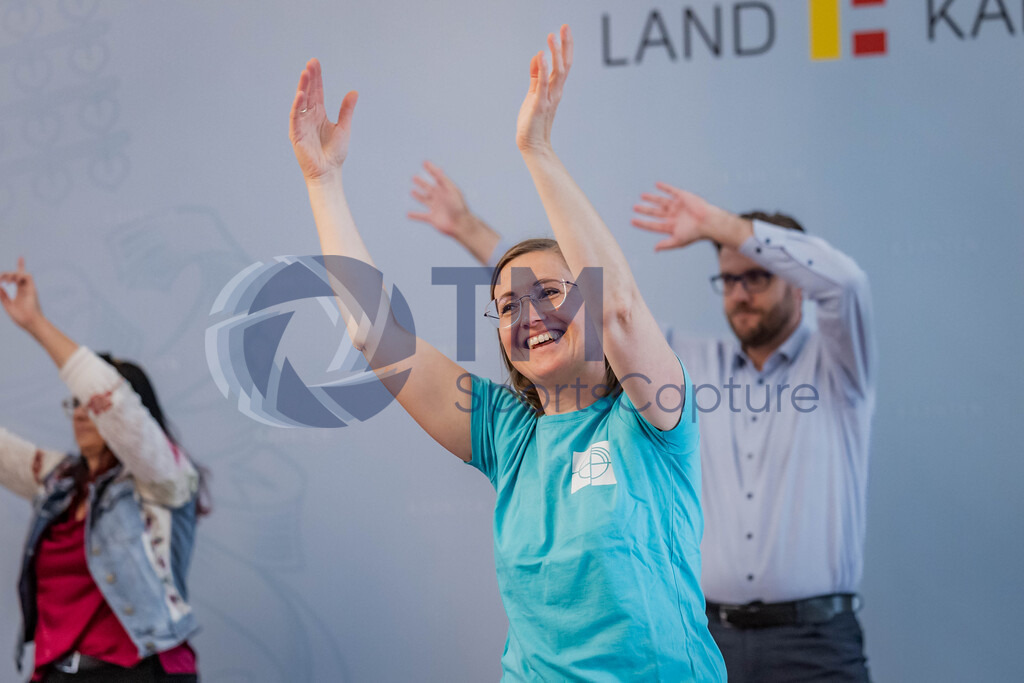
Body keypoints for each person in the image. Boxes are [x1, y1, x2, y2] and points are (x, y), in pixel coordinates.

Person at [289, 25, 725, 681]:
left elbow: (622, 308)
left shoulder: (654, 417)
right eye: (508, 305)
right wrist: (323, 183)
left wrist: (536, 149)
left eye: (550, 292)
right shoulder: (504, 432)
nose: (530, 316)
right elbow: (372, 332)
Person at [409, 173, 875, 682]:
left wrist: (720, 225)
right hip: (708, 628)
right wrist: (469, 229)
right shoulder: (691, 360)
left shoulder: (840, 368)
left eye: (758, 277)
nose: (741, 293)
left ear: (797, 282)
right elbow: (578, 308)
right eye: (730, 280)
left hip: (813, 642)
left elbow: (845, 282)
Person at [0, 258, 202, 682]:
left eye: (87, 405)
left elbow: (111, 399)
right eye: (72, 404)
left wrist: (35, 323)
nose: (79, 413)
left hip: (137, 673)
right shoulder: (59, 481)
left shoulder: (161, 478)